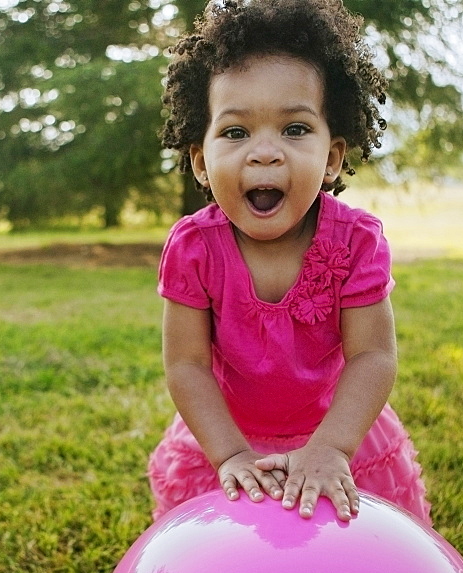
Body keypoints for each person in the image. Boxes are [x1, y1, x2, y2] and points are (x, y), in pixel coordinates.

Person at [147, 0, 431, 525]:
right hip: (228, 434)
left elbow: (372, 356)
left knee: (350, 568)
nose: (265, 153)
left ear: (331, 157)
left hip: (335, 430)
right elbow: (186, 365)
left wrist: (333, 448)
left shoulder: (356, 242)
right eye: (235, 132)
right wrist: (231, 454)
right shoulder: (193, 248)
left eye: (295, 129)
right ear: (199, 162)